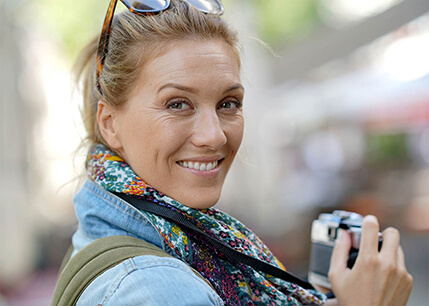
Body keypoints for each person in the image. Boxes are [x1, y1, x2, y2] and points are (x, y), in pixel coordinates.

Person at [66, 0, 413, 304]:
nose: (214, 136)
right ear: (110, 123)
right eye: (177, 104)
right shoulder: (158, 288)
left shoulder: (112, 234)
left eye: (228, 103)